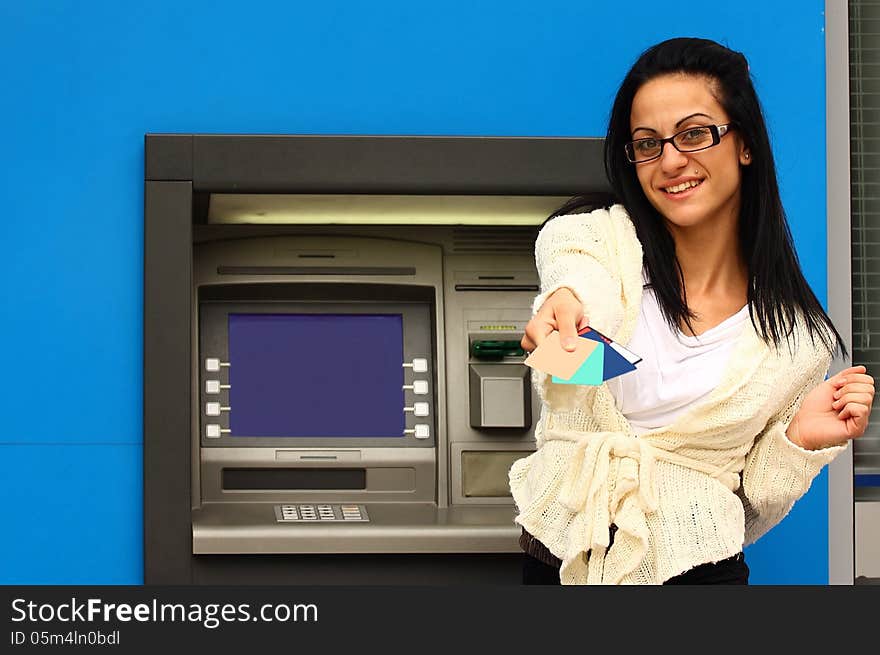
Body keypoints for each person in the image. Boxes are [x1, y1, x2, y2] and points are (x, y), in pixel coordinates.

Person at [510, 37, 875, 585]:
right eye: (647, 143)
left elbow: (750, 508)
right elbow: (577, 280)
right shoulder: (597, 242)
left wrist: (798, 440)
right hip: (560, 565)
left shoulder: (797, 340)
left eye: (695, 134)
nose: (671, 161)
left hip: (699, 576)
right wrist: (565, 303)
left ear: (744, 143)